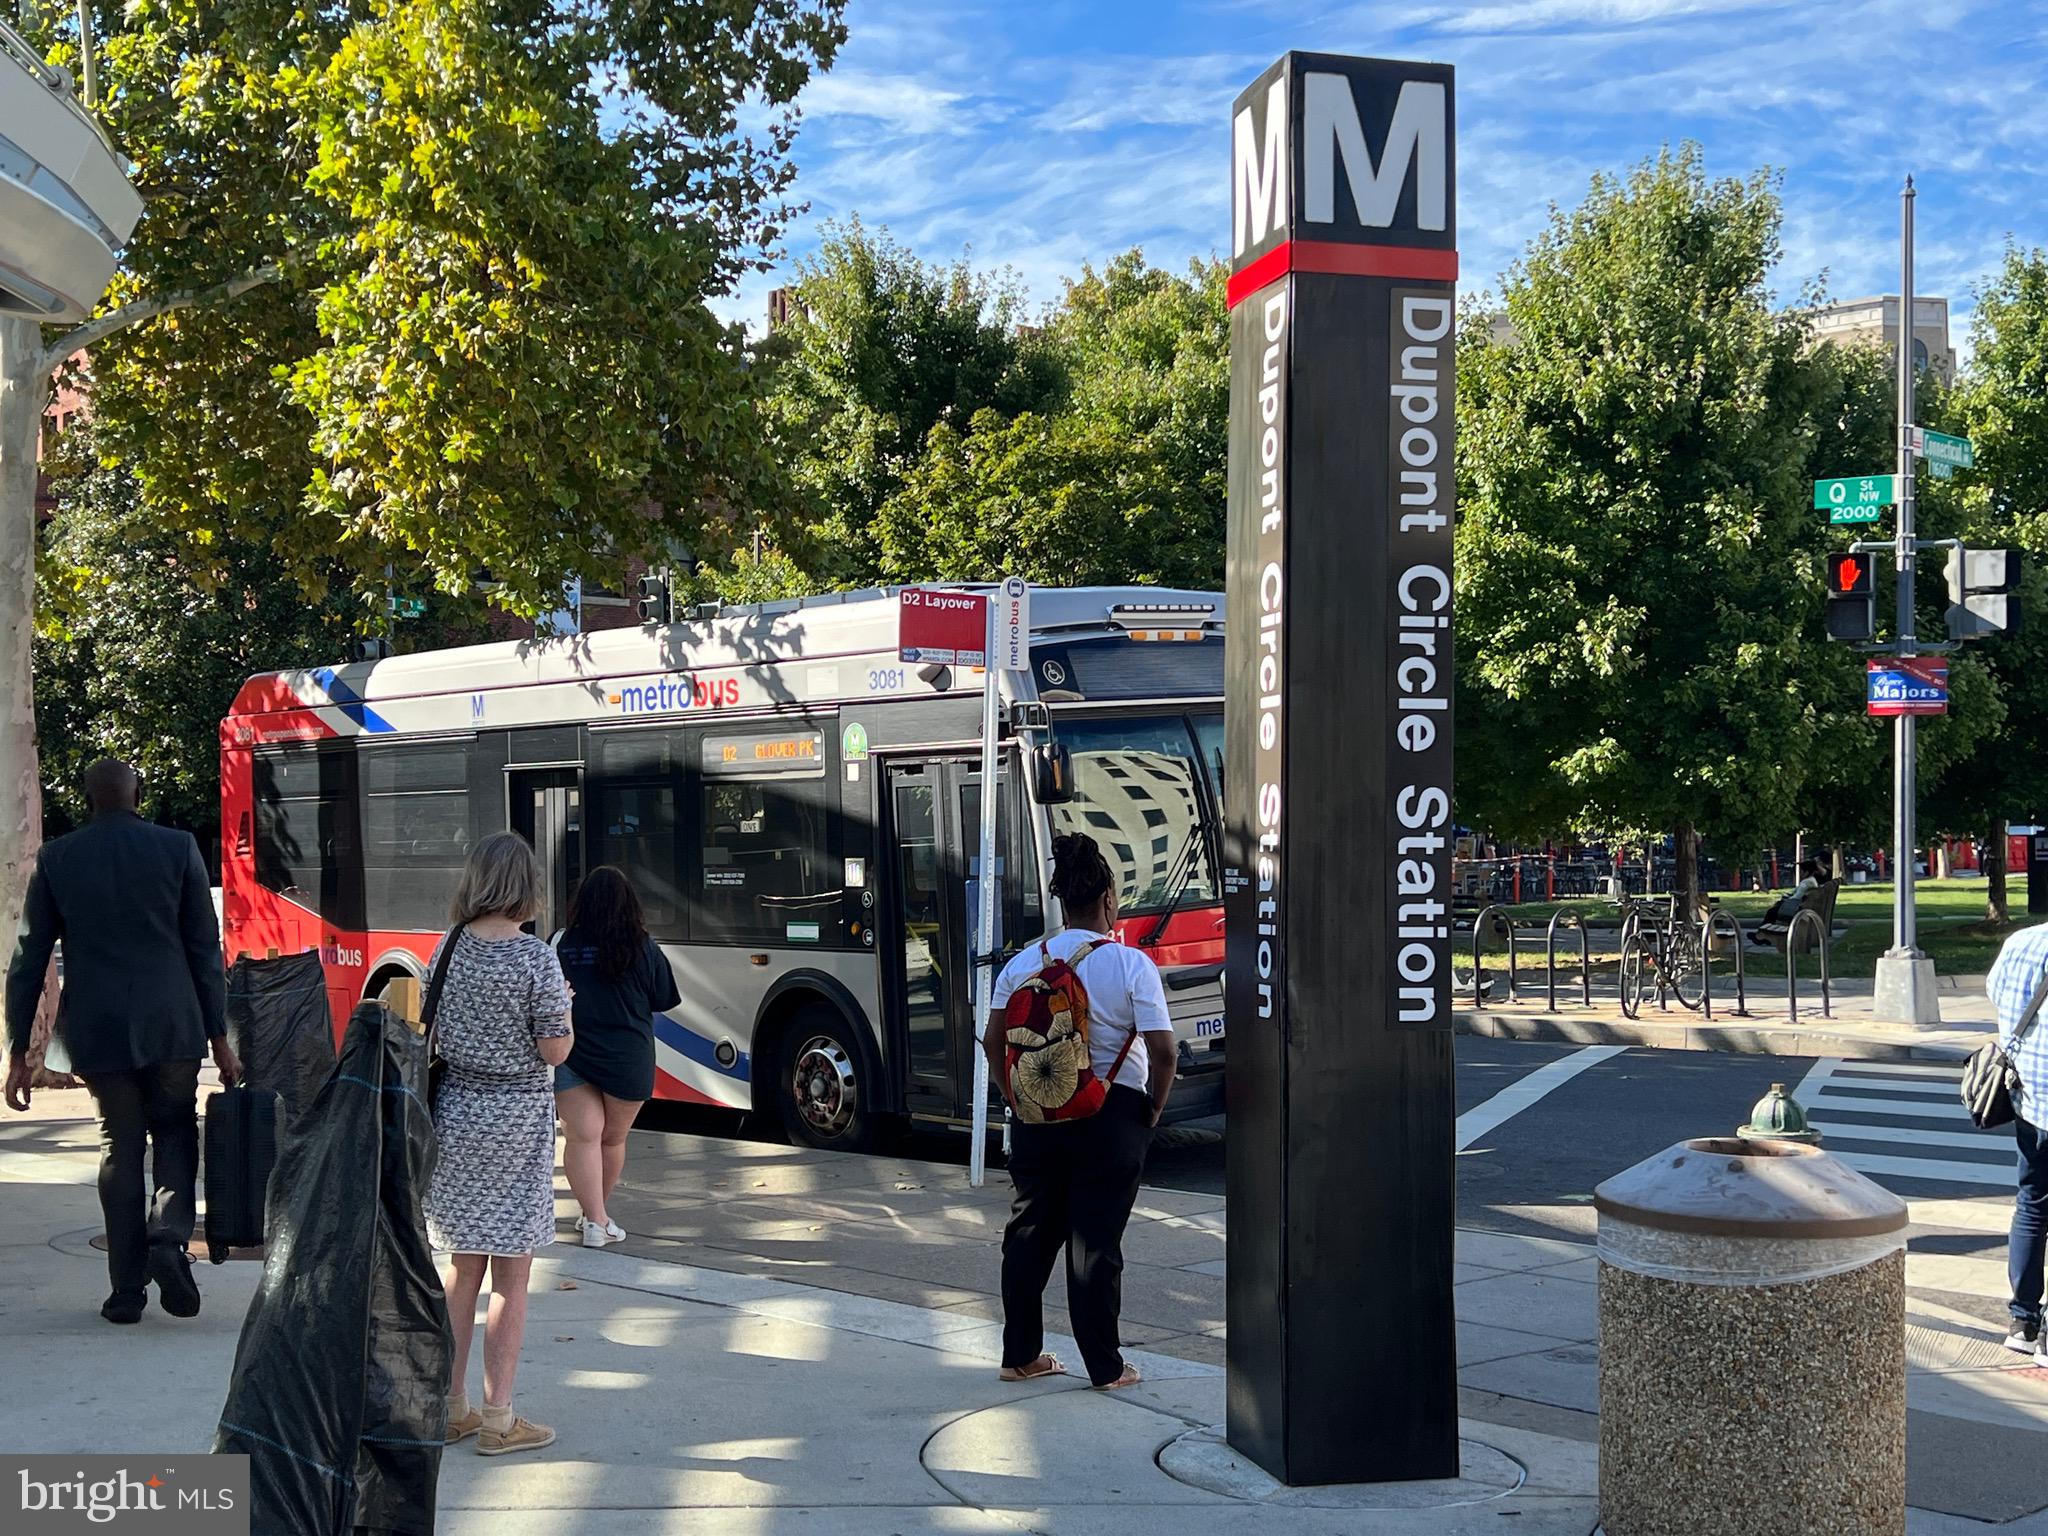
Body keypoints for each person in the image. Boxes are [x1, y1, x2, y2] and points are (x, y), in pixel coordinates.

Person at [3, 759, 239, 1325]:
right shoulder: (178, 848)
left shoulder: (58, 859)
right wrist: (221, 1037)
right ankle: (171, 1237)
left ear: (87, 800)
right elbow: (206, 952)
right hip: (173, 1025)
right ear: (139, 792)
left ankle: (125, 1293)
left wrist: (18, 1050)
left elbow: (28, 960)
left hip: (99, 1029)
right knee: (177, 1134)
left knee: (119, 1145)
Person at [980, 832, 1177, 1391]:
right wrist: (1154, 1110)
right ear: (1109, 900)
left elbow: (994, 1042)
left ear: (1062, 903)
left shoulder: (1021, 965)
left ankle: (1020, 1355)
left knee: (1029, 1232)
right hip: (1110, 1114)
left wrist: (1017, 1098)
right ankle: (1105, 1367)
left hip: (1037, 1112)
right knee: (1095, 1239)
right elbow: (1162, 1052)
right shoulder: (1131, 966)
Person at [426, 831, 574, 1456]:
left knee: (463, 1269)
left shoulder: (449, 947)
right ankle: (499, 1416)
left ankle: (451, 1407)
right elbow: (553, 1050)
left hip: (457, 1113)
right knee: (512, 1275)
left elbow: (427, 1029)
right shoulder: (537, 960)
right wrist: (565, 1010)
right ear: (525, 887)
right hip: (516, 1120)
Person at [552, 866, 678, 1248]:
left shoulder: (559, 944)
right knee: (612, 1140)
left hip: (571, 1053)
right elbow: (664, 1000)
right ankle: (597, 1218)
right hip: (628, 1059)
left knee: (582, 1137)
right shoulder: (644, 947)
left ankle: (594, 1220)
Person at [1990, 923, 2048, 1362]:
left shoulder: (2021, 942)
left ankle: (2023, 1321)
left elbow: (1998, 995)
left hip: (2031, 1097)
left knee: (2031, 1204)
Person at [1749, 859, 1826, 945]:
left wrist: (1784, 899)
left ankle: (1760, 936)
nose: (1799, 873)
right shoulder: (1811, 881)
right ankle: (1762, 935)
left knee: (1772, 912)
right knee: (1773, 910)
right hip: (1801, 907)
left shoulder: (1806, 883)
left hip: (1796, 910)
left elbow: (1796, 897)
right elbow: (1796, 892)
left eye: (1801, 871)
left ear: (1806, 872)